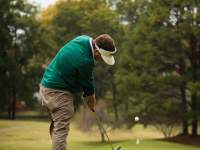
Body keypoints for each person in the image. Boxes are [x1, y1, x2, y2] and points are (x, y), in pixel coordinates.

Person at [39, 34, 117, 150]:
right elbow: (87, 83)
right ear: (96, 52)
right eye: (101, 58)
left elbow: (82, 78)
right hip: (57, 91)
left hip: (47, 86)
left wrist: (89, 95)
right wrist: (90, 97)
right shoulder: (86, 61)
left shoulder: (84, 39)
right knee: (61, 128)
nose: (100, 60)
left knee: (58, 125)